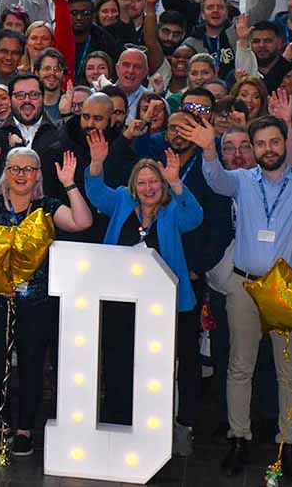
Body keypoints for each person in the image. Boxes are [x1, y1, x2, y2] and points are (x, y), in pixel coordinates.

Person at [179, 114, 292, 482]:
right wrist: (208, 150)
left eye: (274, 142)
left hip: (286, 289)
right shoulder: (243, 180)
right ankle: (239, 438)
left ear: (285, 145)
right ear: (253, 148)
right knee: (239, 366)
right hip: (246, 286)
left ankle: (289, 443)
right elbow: (215, 180)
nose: (267, 150)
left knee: (289, 371)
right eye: (260, 144)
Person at [0, 146, 91, 454]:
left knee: (30, 365)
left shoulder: (48, 207)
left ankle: (25, 429)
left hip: (37, 303)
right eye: (16, 169)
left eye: (28, 169)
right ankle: (2, 425)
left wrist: (69, 184)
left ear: (38, 175)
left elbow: (82, 222)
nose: (22, 175)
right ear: (6, 173)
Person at [85, 134, 203, 435]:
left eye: (154, 182)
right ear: (133, 186)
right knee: (118, 361)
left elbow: (195, 218)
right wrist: (97, 162)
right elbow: (96, 192)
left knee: (158, 366)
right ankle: (119, 420)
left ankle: (159, 427)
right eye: (142, 182)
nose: (148, 188)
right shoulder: (123, 201)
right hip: (121, 302)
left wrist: (177, 183)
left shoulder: (172, 208)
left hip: (163, 306)